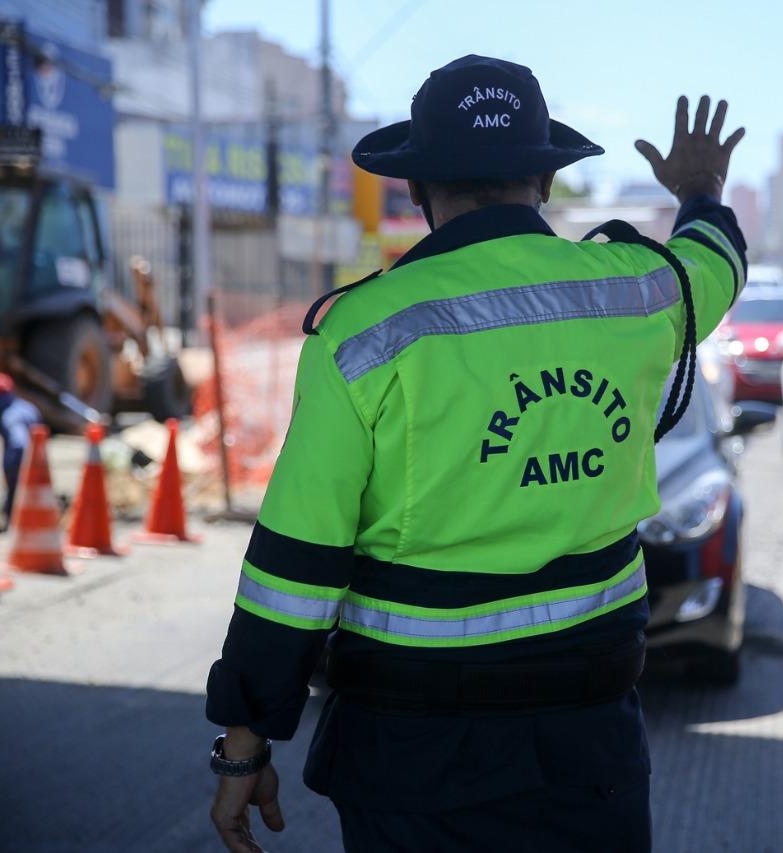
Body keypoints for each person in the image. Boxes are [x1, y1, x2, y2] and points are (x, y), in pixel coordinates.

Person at [206, 54, 746, 852]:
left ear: (419, 191)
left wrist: (244, 743)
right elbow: (719, 263)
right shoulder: (638, 290)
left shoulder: (363, 333)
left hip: (415, 764)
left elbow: (295, 568)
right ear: (547, 182)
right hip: (591, 749)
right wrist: (700, 192)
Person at [0, 372, 43, 526]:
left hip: (22, 479)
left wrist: (12, 476)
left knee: (16, 521)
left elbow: (19, 445)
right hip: (38, 474)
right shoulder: (27, 408)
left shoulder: (9, 418)